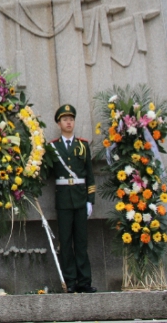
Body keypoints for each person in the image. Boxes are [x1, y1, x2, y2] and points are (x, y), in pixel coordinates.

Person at [50, 104, 96, 293]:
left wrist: (90, 200)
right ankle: (70, 281)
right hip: (63, 200)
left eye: (71, 119)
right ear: (59, 123)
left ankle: (84, 281)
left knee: (81, 242)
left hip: (79, 197)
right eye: (65, 119)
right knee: (66, 243)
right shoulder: (53, 147)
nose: (69, 122)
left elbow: (90, 175)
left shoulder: (83, 145)